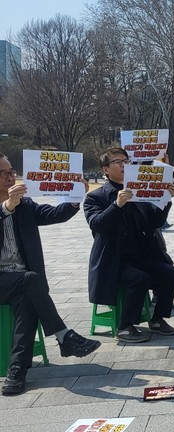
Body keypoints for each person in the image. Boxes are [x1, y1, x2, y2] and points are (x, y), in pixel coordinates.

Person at [0, 153, 101, 395]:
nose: (10, 177)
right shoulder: (12, 204)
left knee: (26, 302)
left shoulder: (25, 204)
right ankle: (64, 336)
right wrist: (6, 208)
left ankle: (16, 372)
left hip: (22, 282)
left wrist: (75, 198)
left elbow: (54, 214)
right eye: (3, 173)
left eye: (11, 172)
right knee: (30, 280)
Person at [85, 148, 174, 343]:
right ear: (105, 169)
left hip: (140, 256)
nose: (124, 165)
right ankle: (125, 327)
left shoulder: (138, 190)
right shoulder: (96, 197)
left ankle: (157, 319)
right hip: (112, 261)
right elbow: (97, 224)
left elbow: (154, 222)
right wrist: (116, 205)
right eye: (118, 162)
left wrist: (165, 200)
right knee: (139, 278)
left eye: (126, 161)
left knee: (171, 273)